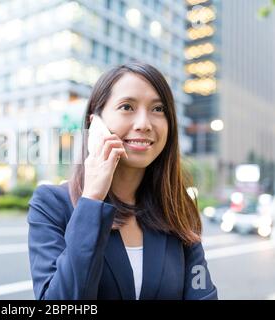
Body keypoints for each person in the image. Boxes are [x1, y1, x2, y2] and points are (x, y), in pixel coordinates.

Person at [27, 62, 218, 300]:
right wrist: (92, 199)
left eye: (158, 109)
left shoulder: (178, 209)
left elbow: (202, 294)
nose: (144, 124)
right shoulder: (51, 204)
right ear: (94, 124)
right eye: (127, 107)